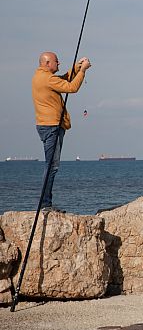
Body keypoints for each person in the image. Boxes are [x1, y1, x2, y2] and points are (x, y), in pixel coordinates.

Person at [31, 52, 91, 211]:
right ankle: (45, 204)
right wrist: (83, 71)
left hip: (48, 126)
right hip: (51, 127)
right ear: (47, 63)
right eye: (56, 61)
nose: (59, 63)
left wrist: (77, 68)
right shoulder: (47, 79)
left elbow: (62, 80)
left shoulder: (41, 77)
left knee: (51, 165)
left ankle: (46, 202)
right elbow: (71, 87)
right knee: (52, 166)